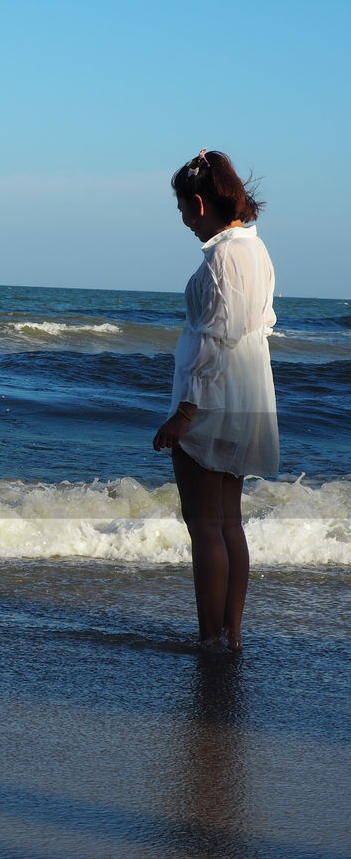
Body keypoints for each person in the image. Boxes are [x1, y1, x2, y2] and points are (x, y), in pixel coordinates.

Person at [152, 149, 279, 653]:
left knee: (204, 526)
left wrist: (183, 414)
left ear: (200, 202)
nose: (184, 221)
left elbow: (212, 344)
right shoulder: (255, 249)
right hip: (246, 398)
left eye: (183, 209)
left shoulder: (221, 258)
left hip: (210, 404)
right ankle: (232, 634)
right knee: (229, 522)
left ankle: (210, 637)